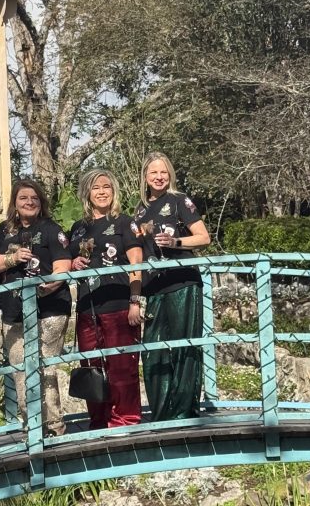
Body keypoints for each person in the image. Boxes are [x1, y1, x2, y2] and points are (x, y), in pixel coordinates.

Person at [0, 178, 71, 436]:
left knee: (44, 368)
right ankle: (33, 427)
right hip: (14, 311)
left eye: (34, 198)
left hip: (50, 309)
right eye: (23, 198)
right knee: (20, 368)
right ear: (15, 202)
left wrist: (47, 287)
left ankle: (54, 428)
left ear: (41, 202)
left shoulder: (51, 229)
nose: (29, 202)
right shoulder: (5, 230)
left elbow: (62, 267)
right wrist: (12, 258)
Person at [131, 152, 211, 421]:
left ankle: (184, 413)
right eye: (153, 172)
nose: (159, 176)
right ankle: (162, 413)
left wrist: (176, 241)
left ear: (170, 174)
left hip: (182, 282)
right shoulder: (139, 210)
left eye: (163, 171)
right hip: (154, 288)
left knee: (184, 347)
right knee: (152, 351)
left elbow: (203, 237)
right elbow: (135, 253)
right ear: (145, 177)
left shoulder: (179, 201)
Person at [68, 169, 143, 429]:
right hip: (88, 306)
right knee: (91, 364)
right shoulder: (78, 228)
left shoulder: (124, 223)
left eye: (107, 187)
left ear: (114, 191)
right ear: (87, 192)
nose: (102, 192)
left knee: (122, 366)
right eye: (96, 187)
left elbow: (136, 263)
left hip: (119, 304)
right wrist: (73, 263)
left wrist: (135, 301)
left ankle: (125, 419)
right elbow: (67, 261)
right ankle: (99, 419)